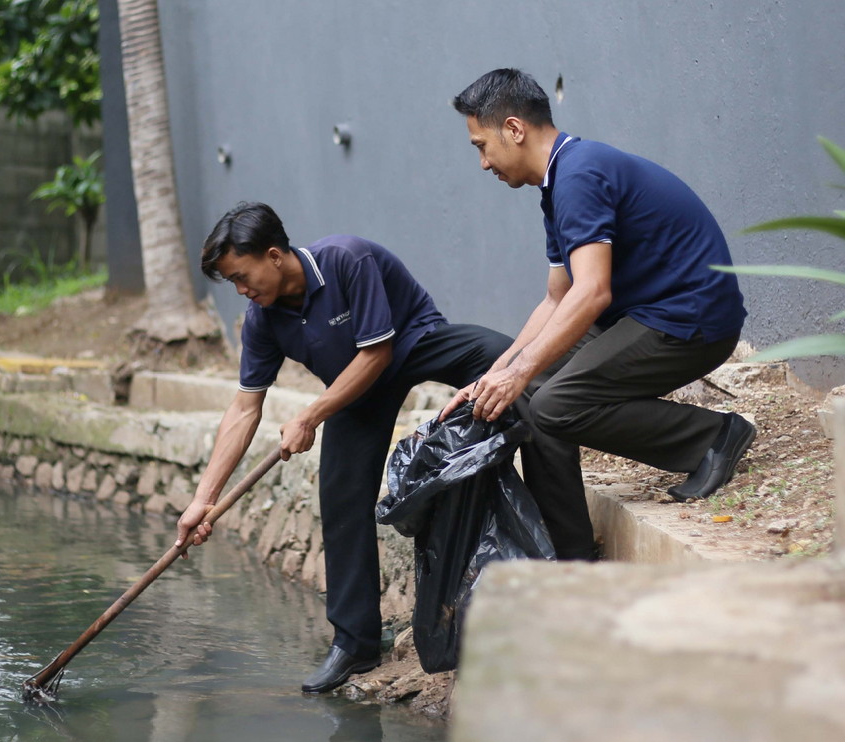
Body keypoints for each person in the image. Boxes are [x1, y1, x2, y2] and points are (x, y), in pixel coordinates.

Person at [176, 201, 565, 694]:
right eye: (232, 282)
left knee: (511, 364)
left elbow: (378, 351)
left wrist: (310, 415)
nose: (241, 290)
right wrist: (202, 500)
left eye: (241, 275)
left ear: (273, 255)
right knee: (340, 498)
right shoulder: (263, 318)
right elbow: (243, 410)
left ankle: (569, 546)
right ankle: (355, 643)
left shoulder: (346, 260)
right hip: (354, 389)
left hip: (413, 344)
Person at [442, 68, 754, 527]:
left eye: (481, 146)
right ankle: (567, 551)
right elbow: (556, 299)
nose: (484, 163)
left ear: (513, 128)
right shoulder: (557, 183)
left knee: (553, 404)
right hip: (647, 317)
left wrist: (521, 369)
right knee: (524, 391)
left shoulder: (580, 175)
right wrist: (497, 375)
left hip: (691, 321)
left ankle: (712, 435)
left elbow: (591, 293)